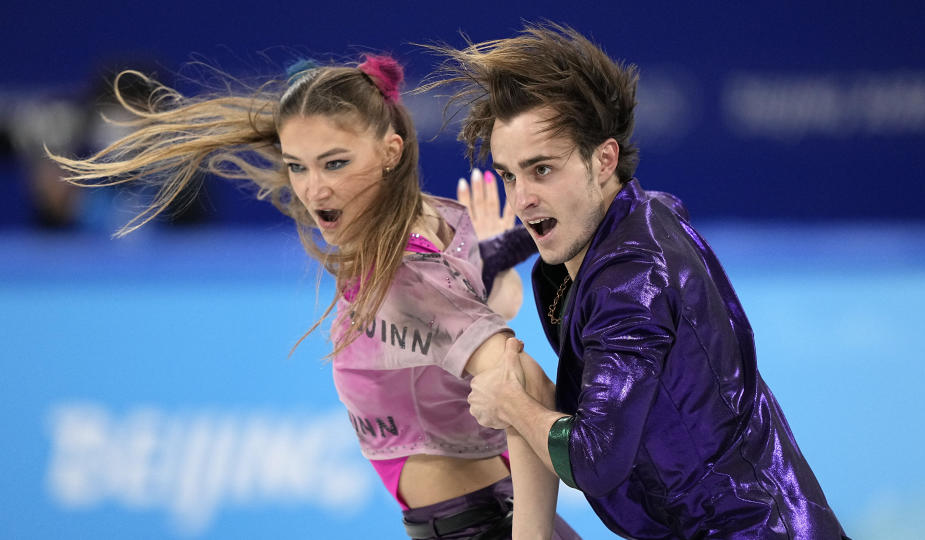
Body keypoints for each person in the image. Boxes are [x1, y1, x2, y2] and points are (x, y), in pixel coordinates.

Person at [50, 54, 579, 539]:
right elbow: (488, 311)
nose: (313, 189)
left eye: (335, 163)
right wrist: (482, 263)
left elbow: (523, 380)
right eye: (297, 165)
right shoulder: (437, 221)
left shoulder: (400, 273)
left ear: (391, 151)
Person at [423, 23, 851, 539]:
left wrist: (511, 403)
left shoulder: (630, 286)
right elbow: (540, 235)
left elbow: (594, 459)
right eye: (509, 174)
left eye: (541, 170)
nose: (521, 199)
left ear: (603, 160)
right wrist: (482, 253)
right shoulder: (644, 212)